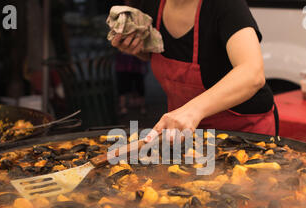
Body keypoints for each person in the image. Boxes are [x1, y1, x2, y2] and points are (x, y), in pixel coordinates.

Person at [111, 0, 277, 142]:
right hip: (186, 134)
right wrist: (135, 49)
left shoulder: (225, 5)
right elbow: (157, 55)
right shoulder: (152, 4)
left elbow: (252, 73)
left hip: (243, 134)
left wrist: (192, 110)